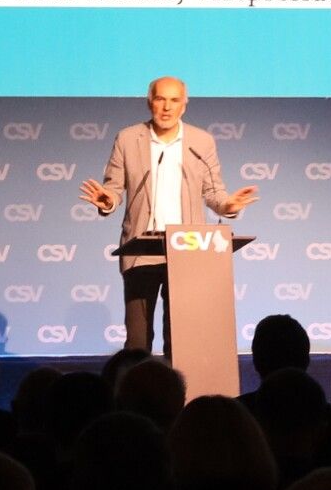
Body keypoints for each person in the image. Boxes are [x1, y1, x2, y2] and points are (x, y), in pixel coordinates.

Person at [77, 76, 259, 355]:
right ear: (149, 102)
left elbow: (213, 192)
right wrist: (108, 200)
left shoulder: (201, 142)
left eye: (174, 100)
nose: (166, 107)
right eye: (160, 99)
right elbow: (113, 188)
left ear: (184, 105)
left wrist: (228, 206)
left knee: (181, 340)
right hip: (141, 250)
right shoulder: (128, 139)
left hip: (187, 249)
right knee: (137, 341)